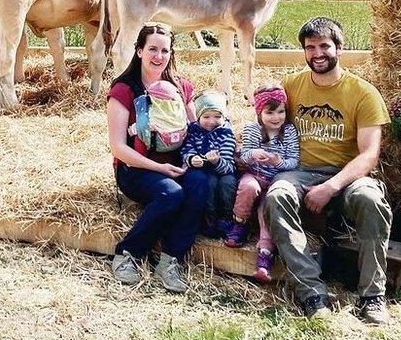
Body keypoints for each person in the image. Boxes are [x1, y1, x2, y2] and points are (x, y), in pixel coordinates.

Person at [265, 17, 392, 324]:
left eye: (324, 45)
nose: (317, 53)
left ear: (340, 48)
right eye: (310, 47)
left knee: (371, 199)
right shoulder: (291, 86)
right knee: (277, 194)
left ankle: (373, 295)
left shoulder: (363, 93)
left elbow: (369, 155)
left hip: (347, 175)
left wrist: (332, 186)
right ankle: (311, 292)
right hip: (300, 171)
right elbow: (266, 121)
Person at [106, 22, 211, 293]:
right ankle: (128, 252)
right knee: (171, 194)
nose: (159, 56)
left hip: (175, 163)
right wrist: (158, 167)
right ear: (139, 51)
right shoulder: (124, 90)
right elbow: (118, 147)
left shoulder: (182, 88)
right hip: (136, 167)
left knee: (200, 183)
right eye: (152, 48)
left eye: (165, 50)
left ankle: (170, 260)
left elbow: (194, 130)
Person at [230, 84, 301, 284]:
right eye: (270, 112)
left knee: (266, 210)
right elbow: (244, 155)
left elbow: (294, 161)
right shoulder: (252, 129)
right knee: (248, 187)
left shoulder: (289, 132)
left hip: (275, 181)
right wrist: (252, 154)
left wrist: (277, 162)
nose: (276, 117)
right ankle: (239, 224)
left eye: (281, 112)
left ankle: (264, 255)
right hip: (254, 175)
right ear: (259, 112)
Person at [179, 90, 237, 239]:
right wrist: (191, 159)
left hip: (224, 170)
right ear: (198, 117)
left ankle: (227, 216)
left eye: (217, 116)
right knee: (209, 182)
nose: (212, 121)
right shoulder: (193, 132)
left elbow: (229, 165)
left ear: (224, 117)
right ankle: (210, 216)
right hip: (205, 171)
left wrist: (217, 161)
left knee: (228, 183)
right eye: (206, 116)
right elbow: (186, 150)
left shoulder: (226, 134)